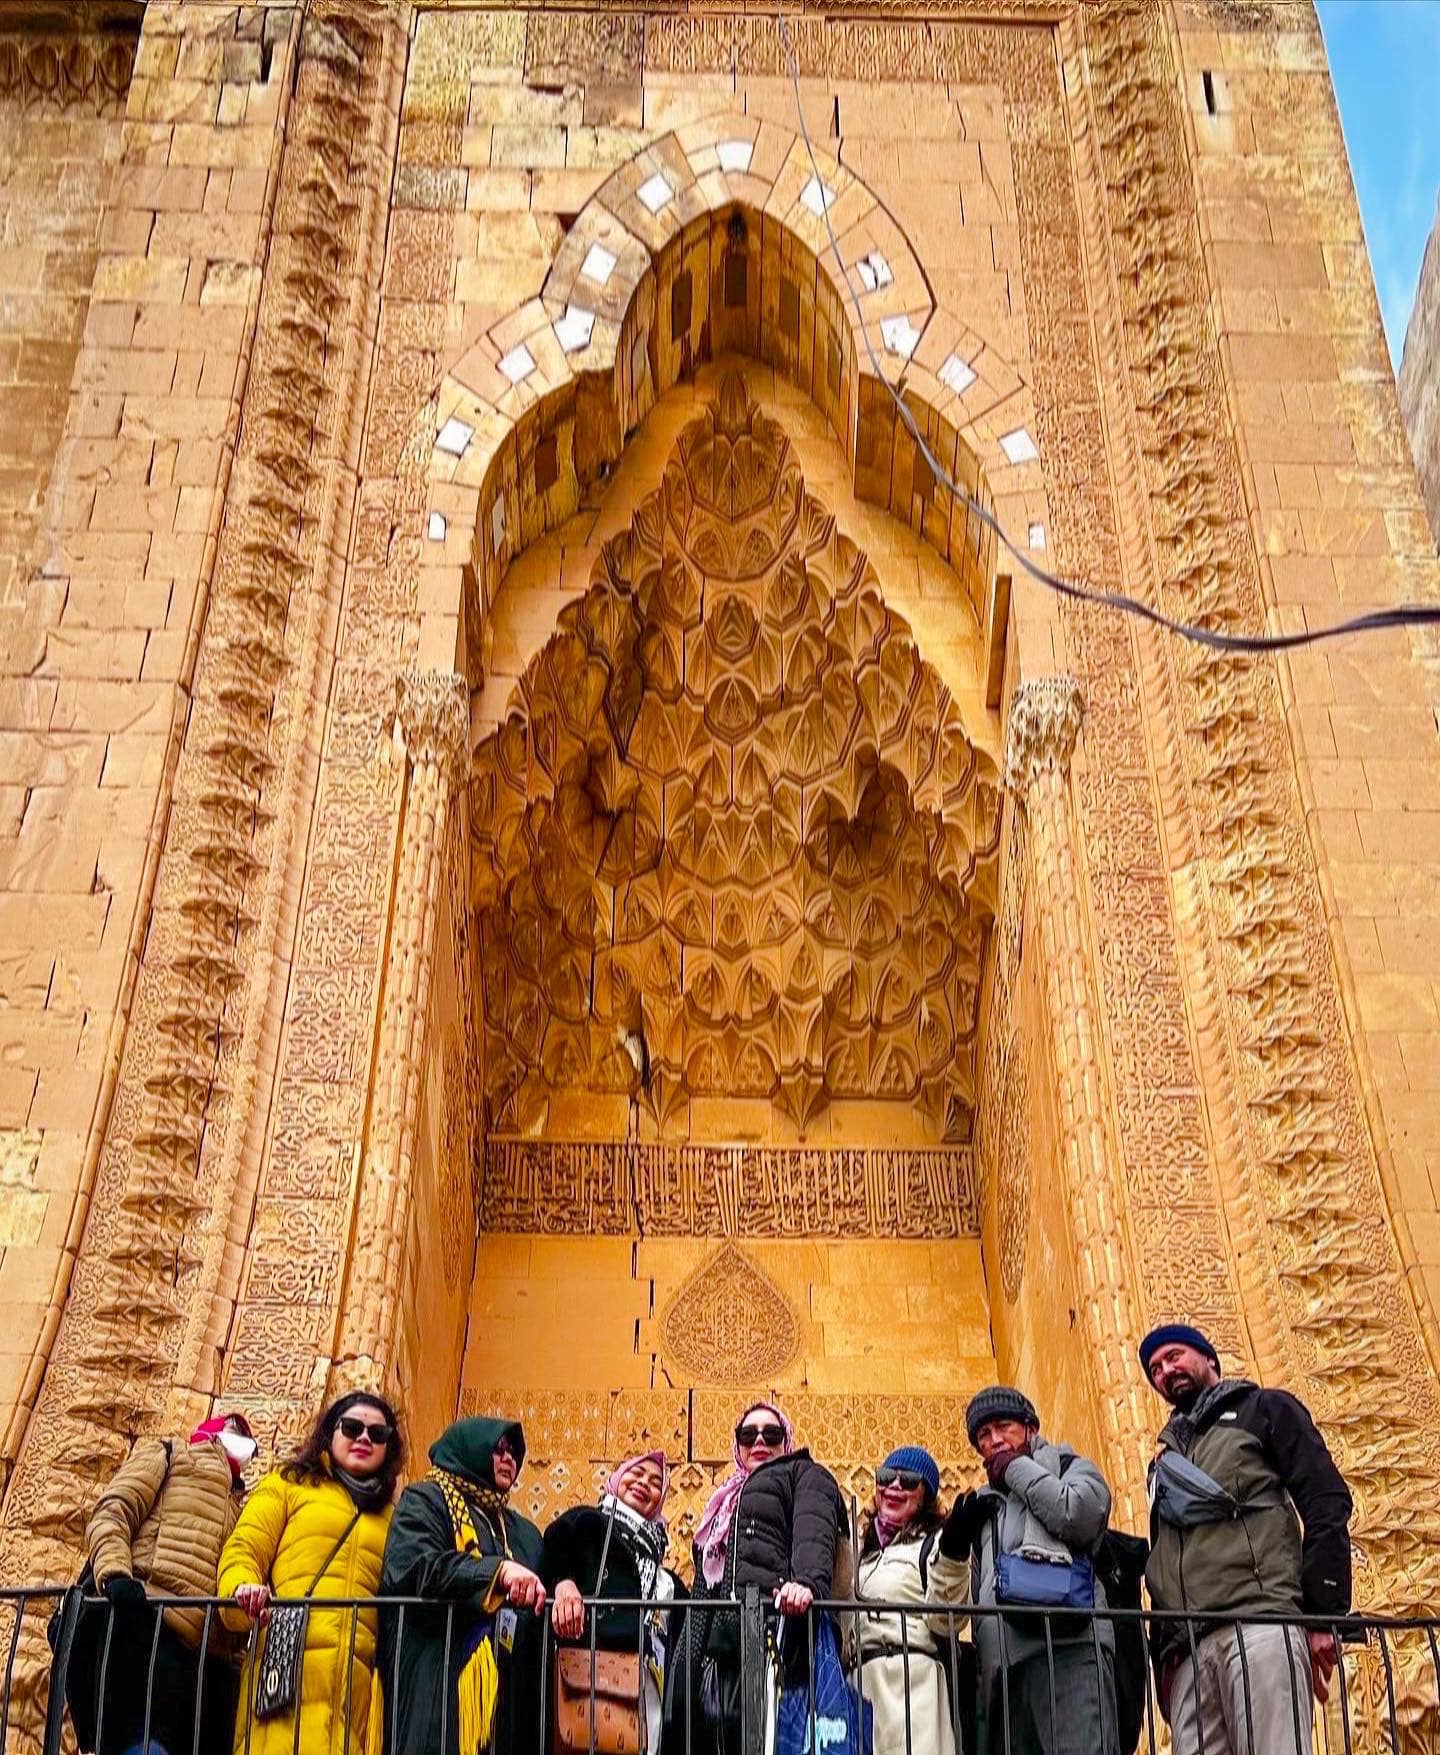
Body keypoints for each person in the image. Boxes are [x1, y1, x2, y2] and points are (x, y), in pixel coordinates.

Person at [1140, 1323, 1354, 1755]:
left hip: (1259, 1625)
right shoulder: (1165, 1461)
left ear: (1209, 1359)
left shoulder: (1265, 1409)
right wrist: (1166, 1662)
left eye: (1175, 1355)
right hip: (1190, 1654)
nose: (1166, 1370)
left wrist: (1323, 1614)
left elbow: (1325, 1501)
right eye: (1155, 1368)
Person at [220, 1391, 403, 1755]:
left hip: (356, 1692)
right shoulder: (288, 1485)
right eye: (352, 1428)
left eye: (378, 1434)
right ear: (329, 1433)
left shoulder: (394, 1518)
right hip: (286, 1668)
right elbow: (244, 1549)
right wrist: (243, 1589)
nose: (364, 1438)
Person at [73, 1411, 256, 1755]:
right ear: (211, 1431)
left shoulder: (243, 1507)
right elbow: (115, 1510)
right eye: (235, 1429)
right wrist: (115, 1577)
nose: (245, 1442)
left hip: (206, 1665)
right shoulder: (170, 1453)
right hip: (150, 1627)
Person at [676, 1402, 847, 1755]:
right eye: (747, 1434)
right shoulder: (723, 1502)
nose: (759, 1441)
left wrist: (808, 1584)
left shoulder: (802, 1472)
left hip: (772, 1639)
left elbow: (813, 1531)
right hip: (717, 1650)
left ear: (787, 1441)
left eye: (771, 1434)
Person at [958, 1387, 1117, 1755]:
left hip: (1070, 1648)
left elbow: (1078, 1516)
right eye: (984, 1435)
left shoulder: (1069, 1466)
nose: (994, 1440)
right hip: (1007, 1667)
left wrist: (1014, 1468)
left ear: (1030, 1428)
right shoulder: (986, 1506)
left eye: (1004, 1427)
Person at [378, 1415, 545, 1755]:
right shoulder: (428, 1500)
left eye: (514, 1453)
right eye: (497, 1449)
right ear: (469, 1448)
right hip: (439, 1678)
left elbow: (550, 1583)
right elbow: (413, 1569)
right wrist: (495, 1573)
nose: (508, 1459)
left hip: (507, 1695)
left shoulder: (523, 1532)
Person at [542, 1450, 685, 1754]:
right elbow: (556, 1544)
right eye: (636, 1473)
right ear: (617, 1478)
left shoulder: (668, 1582)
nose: (644, 1483)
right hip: (591, 1675)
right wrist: (564, 1585)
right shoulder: (588, 1522)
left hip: (647, 1687)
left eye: (656, 1482)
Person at [855, 1446, 972, 1755]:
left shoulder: (932, 1545)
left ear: (926, 1496)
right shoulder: (861, 1553)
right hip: (860, 1685)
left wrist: (953, 1556)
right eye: (885, 1478)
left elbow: (947, 1620)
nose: (894, 1487)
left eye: (908, 1481)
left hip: (912, 1682)